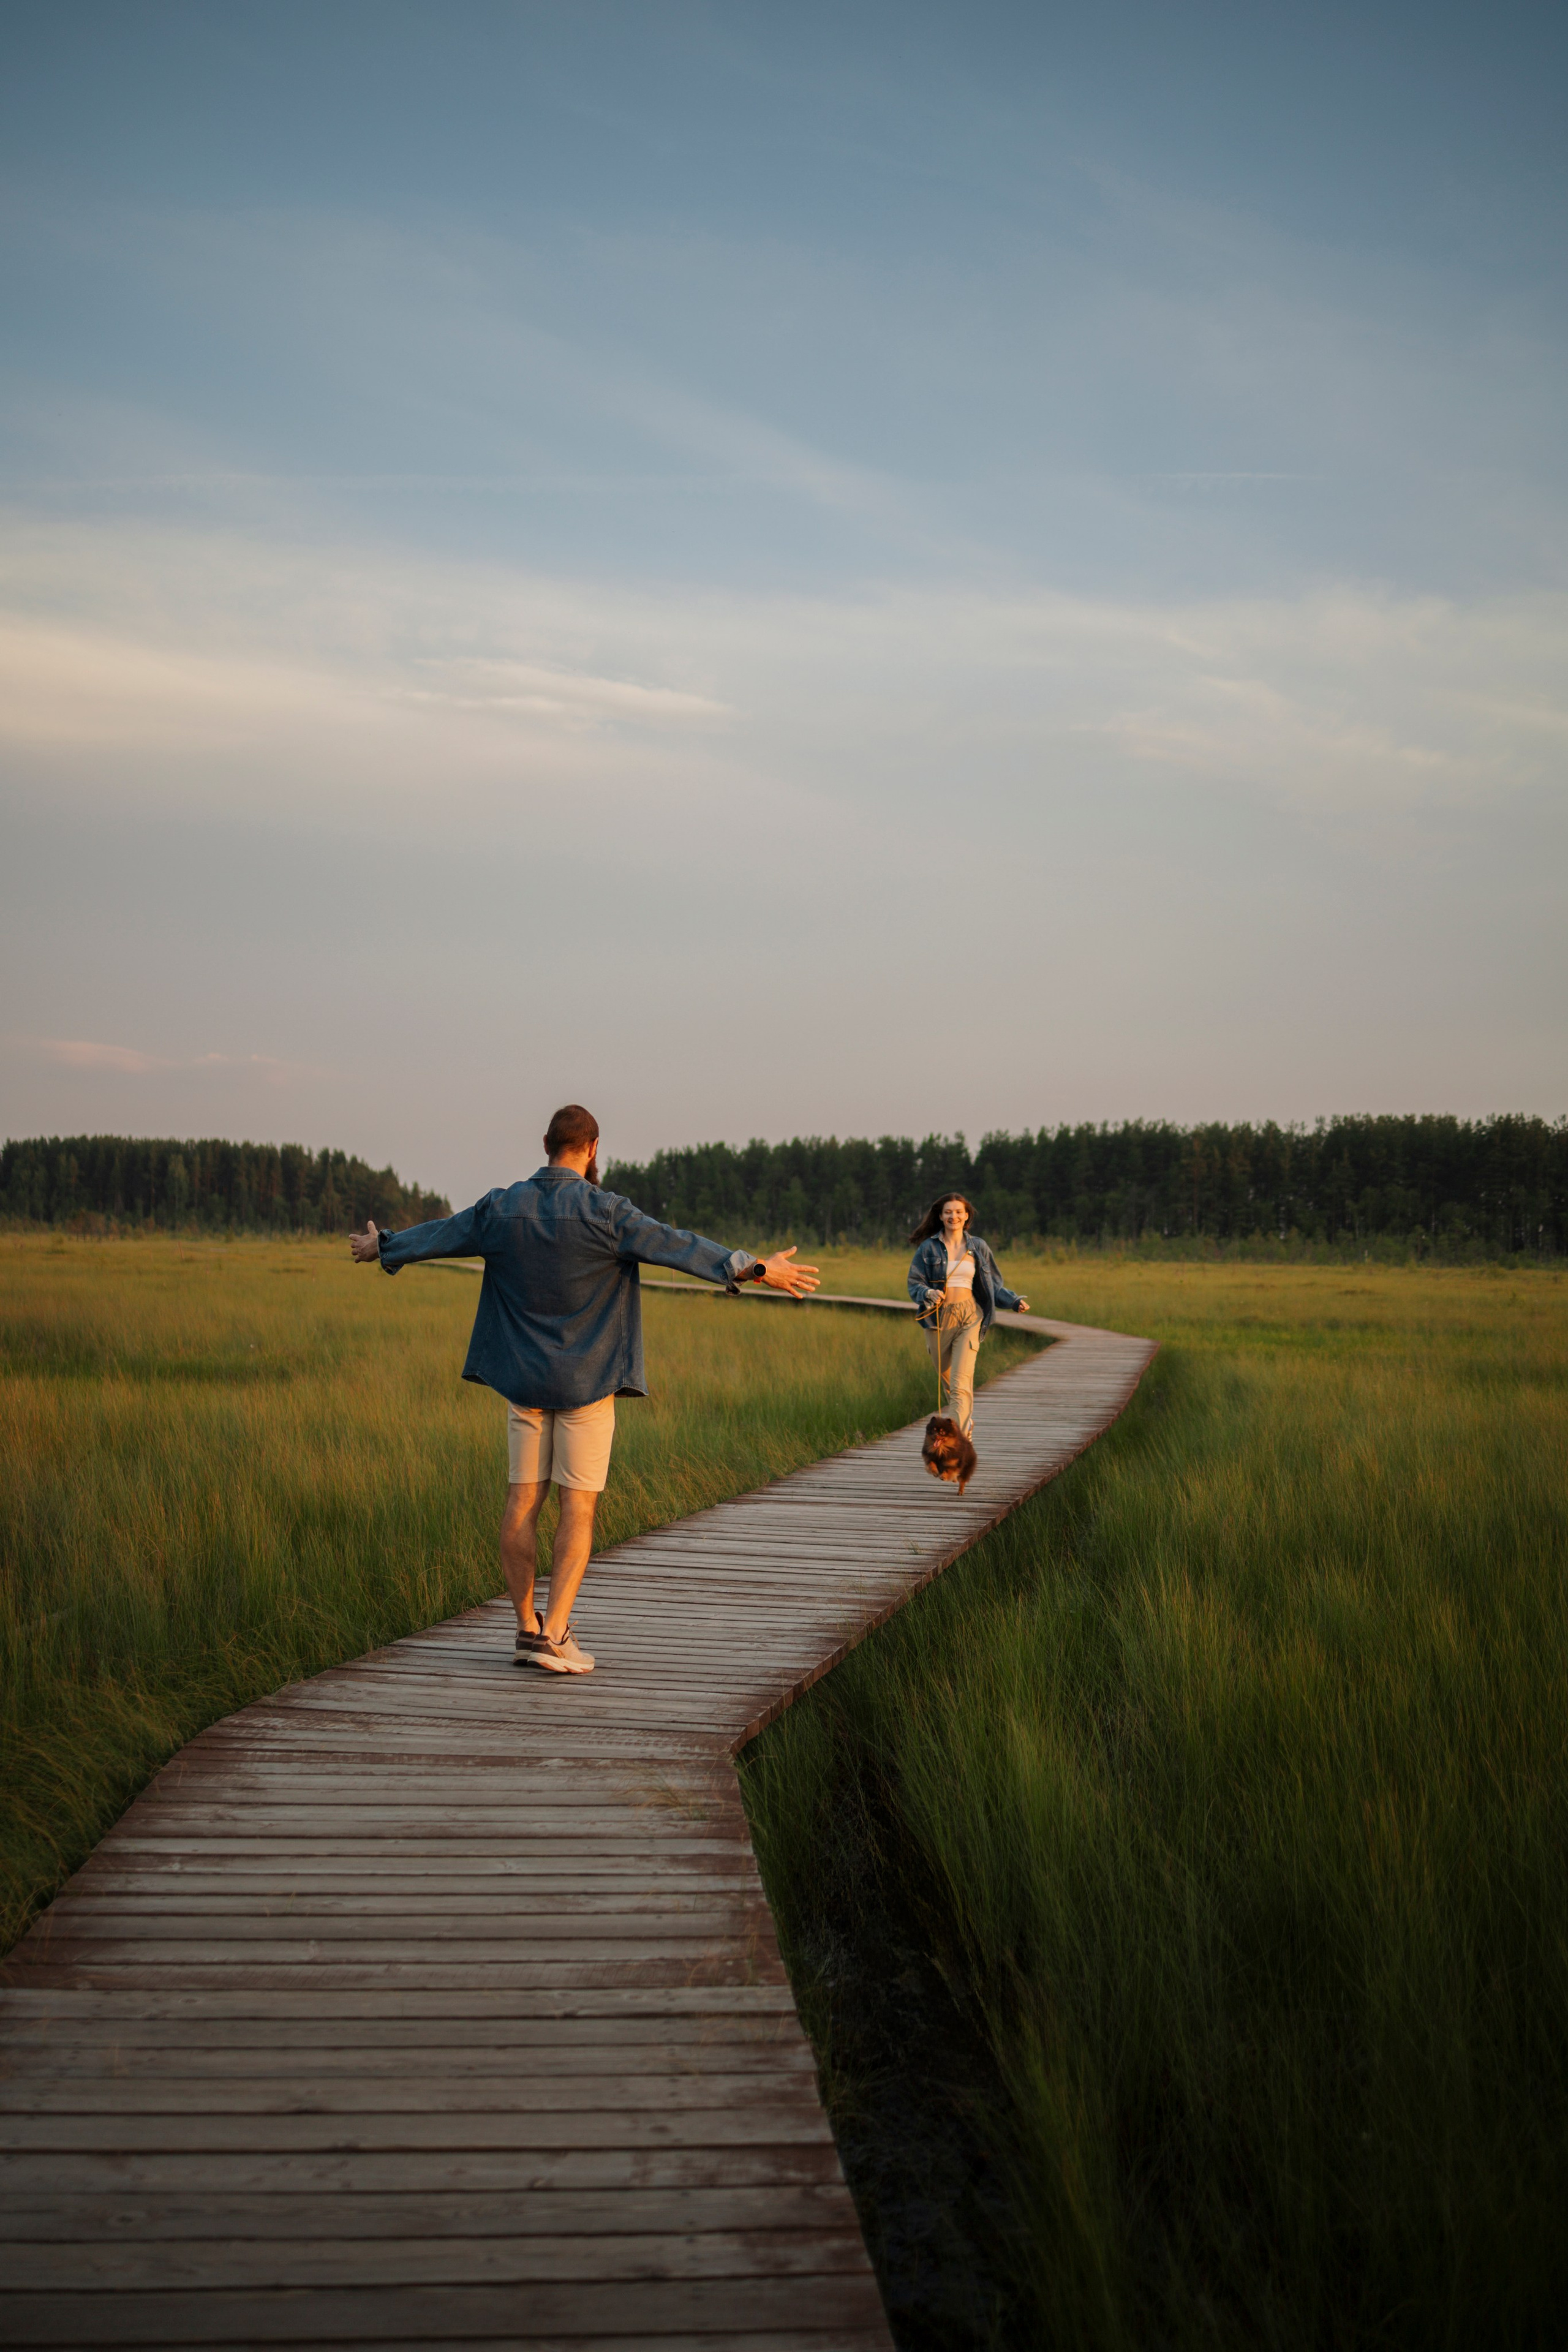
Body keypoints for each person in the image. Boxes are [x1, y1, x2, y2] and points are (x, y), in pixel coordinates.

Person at [350, 1105, 818, 1676]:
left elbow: (444, 1233)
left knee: (522, 1502)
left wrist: (386, 1247)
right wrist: (753, 1268)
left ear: (546, 1143)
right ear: (593, 1148)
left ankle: (525, 1628)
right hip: (589, 1383)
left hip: (523, 1384)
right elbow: (678, 1244)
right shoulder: (609, 1212)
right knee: (579, 1507)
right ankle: (555, 1633)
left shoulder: (501, 1206)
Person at [906, 1193, 1028, 1440]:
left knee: (961, 1384)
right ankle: (965, 1421)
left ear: (967, 1216)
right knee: (949, 1381)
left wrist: (1013, 1301)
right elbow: (914, 1282)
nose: (954, 1216)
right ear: (940, 1216)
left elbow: (992, 1283)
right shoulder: (928, 1248)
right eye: (949, 1212)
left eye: (959, 1212)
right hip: (938, 1320)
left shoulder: (978, 1247)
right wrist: (928, 1292)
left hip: (970, 1316)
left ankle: (956, 1440)